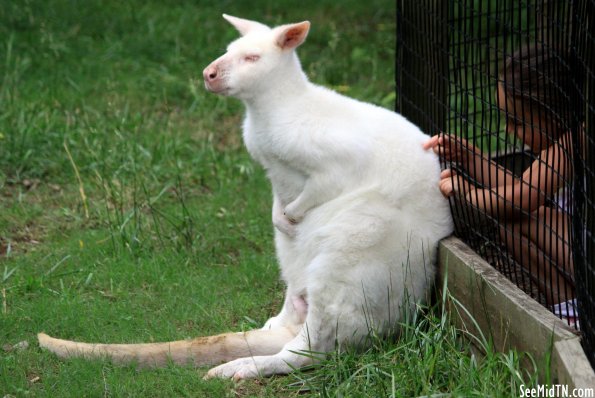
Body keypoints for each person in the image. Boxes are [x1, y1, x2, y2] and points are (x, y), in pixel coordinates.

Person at [423, 45, 582, 317]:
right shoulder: (558, 145)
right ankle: (569, 311)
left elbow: (523, 198)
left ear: (552, 113)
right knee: (509, 223)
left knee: (515, 214)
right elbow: (517, 193)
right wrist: (470, 157)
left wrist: (468, 194)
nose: (509, 130)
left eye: (517, 121)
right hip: (575, 256)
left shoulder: (576, 140)